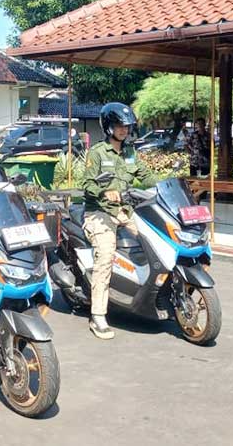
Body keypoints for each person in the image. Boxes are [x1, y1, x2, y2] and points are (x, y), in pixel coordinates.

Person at [82, 103, 157, 339]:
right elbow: (87, 184)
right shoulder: (97, 152)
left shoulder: (130, 152)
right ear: (109, 127)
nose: (124, 130)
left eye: (127, 126)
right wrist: (105, 192)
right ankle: (98, 316)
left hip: (125, 211)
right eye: (119, 126)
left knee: (153, 242)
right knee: (105, 257)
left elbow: (146, 176)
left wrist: (168, 185)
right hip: (100, 212)